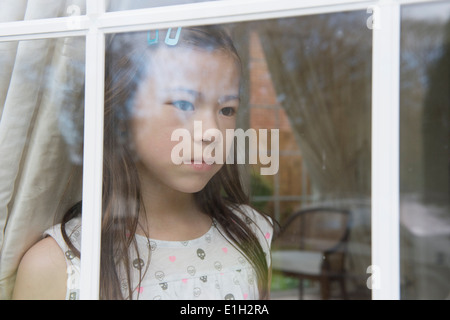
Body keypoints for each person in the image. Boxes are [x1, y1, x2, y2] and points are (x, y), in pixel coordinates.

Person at [12, 25, 273, 300]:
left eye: (227, 109)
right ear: (124, 113)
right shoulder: (61, 266)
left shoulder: (252, 233)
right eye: (184, 104)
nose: (211, 132)